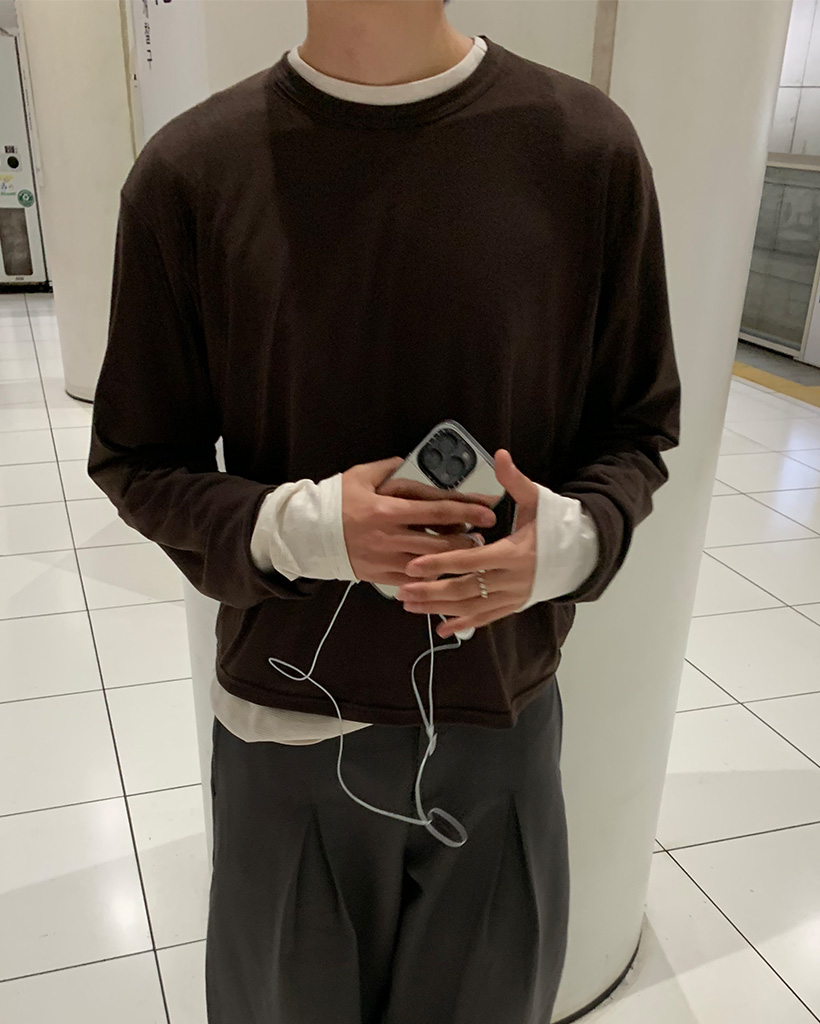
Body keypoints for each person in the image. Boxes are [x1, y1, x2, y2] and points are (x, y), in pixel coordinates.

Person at [88, 1, 681, 1021]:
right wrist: (315, 529)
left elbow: (636, 425)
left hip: (499, 714)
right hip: (287, 722)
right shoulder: (190, 173)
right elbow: (137, 458)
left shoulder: (585, 152)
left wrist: (564, 544)